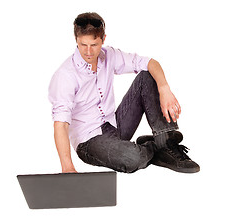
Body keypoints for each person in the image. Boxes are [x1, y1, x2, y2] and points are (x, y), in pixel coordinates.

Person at [48, 12, 200, 174]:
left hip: (115, 125)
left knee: (147, 75)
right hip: (89, 141)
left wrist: (164, 89)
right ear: (76, 39)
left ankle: (165, 142)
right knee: (133, 159)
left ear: (103, 39)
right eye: (83, 44)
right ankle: (156, 146)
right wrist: (67, 167)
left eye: (94, 45)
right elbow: (61, 124)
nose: (88, 52)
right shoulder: (65, 76)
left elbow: (150, 63)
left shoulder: (109, 55)